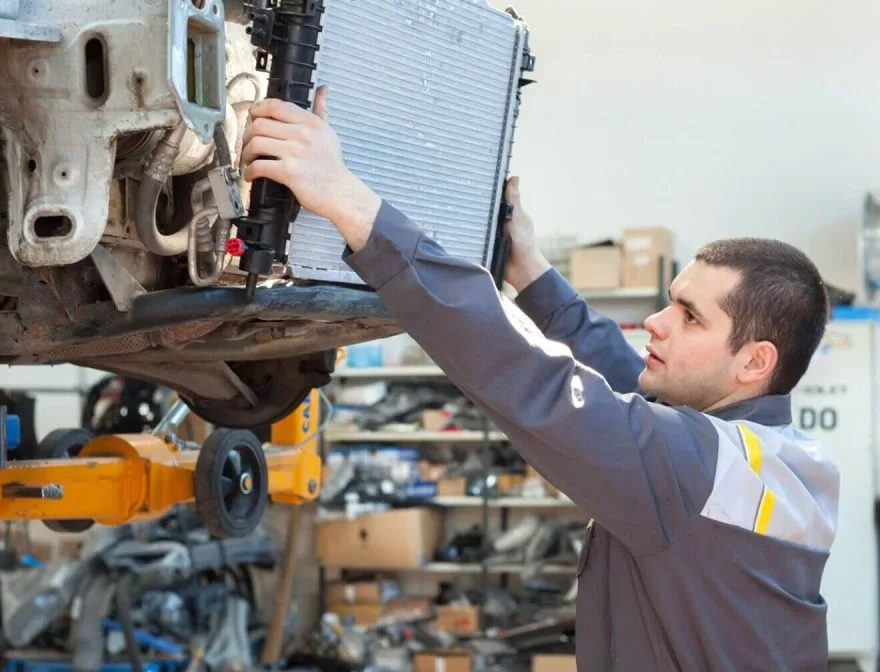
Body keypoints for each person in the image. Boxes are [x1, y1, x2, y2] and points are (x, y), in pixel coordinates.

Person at [239, 87, 840, 671]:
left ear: (755, 361)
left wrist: (347, 200)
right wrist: (528, 267)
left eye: (689, 316)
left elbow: (531, 379)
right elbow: (628, 382)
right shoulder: (780, 461)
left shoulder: (694, 469)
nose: (656, 323)